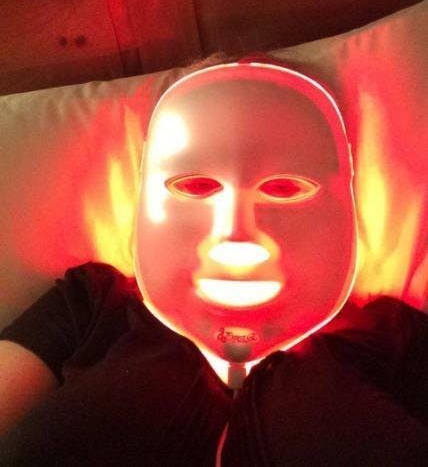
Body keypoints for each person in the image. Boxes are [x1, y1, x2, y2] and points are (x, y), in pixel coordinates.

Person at [0, 59, 427, 466]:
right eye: (197, 185)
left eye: (284, 187)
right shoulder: (93, 303)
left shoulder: (388, 336)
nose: (237, 234)